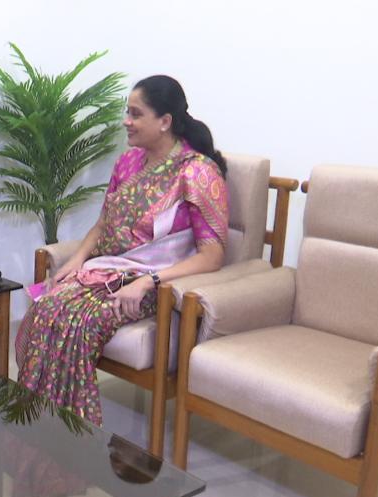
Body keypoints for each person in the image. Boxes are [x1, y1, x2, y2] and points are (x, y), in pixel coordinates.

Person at [15, 75, 229, 426]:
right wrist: (78, 259)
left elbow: (212, 256)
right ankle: (39, 422)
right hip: (109, 270)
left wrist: (150, 281)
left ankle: (73, 433)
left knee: (77, 322)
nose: (126, 122)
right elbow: (103, 223)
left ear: (164, 122)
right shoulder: (128, 163)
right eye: (126, 112)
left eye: (135, 114)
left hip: (152, 283)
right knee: (47, 305)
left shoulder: (197, 173)